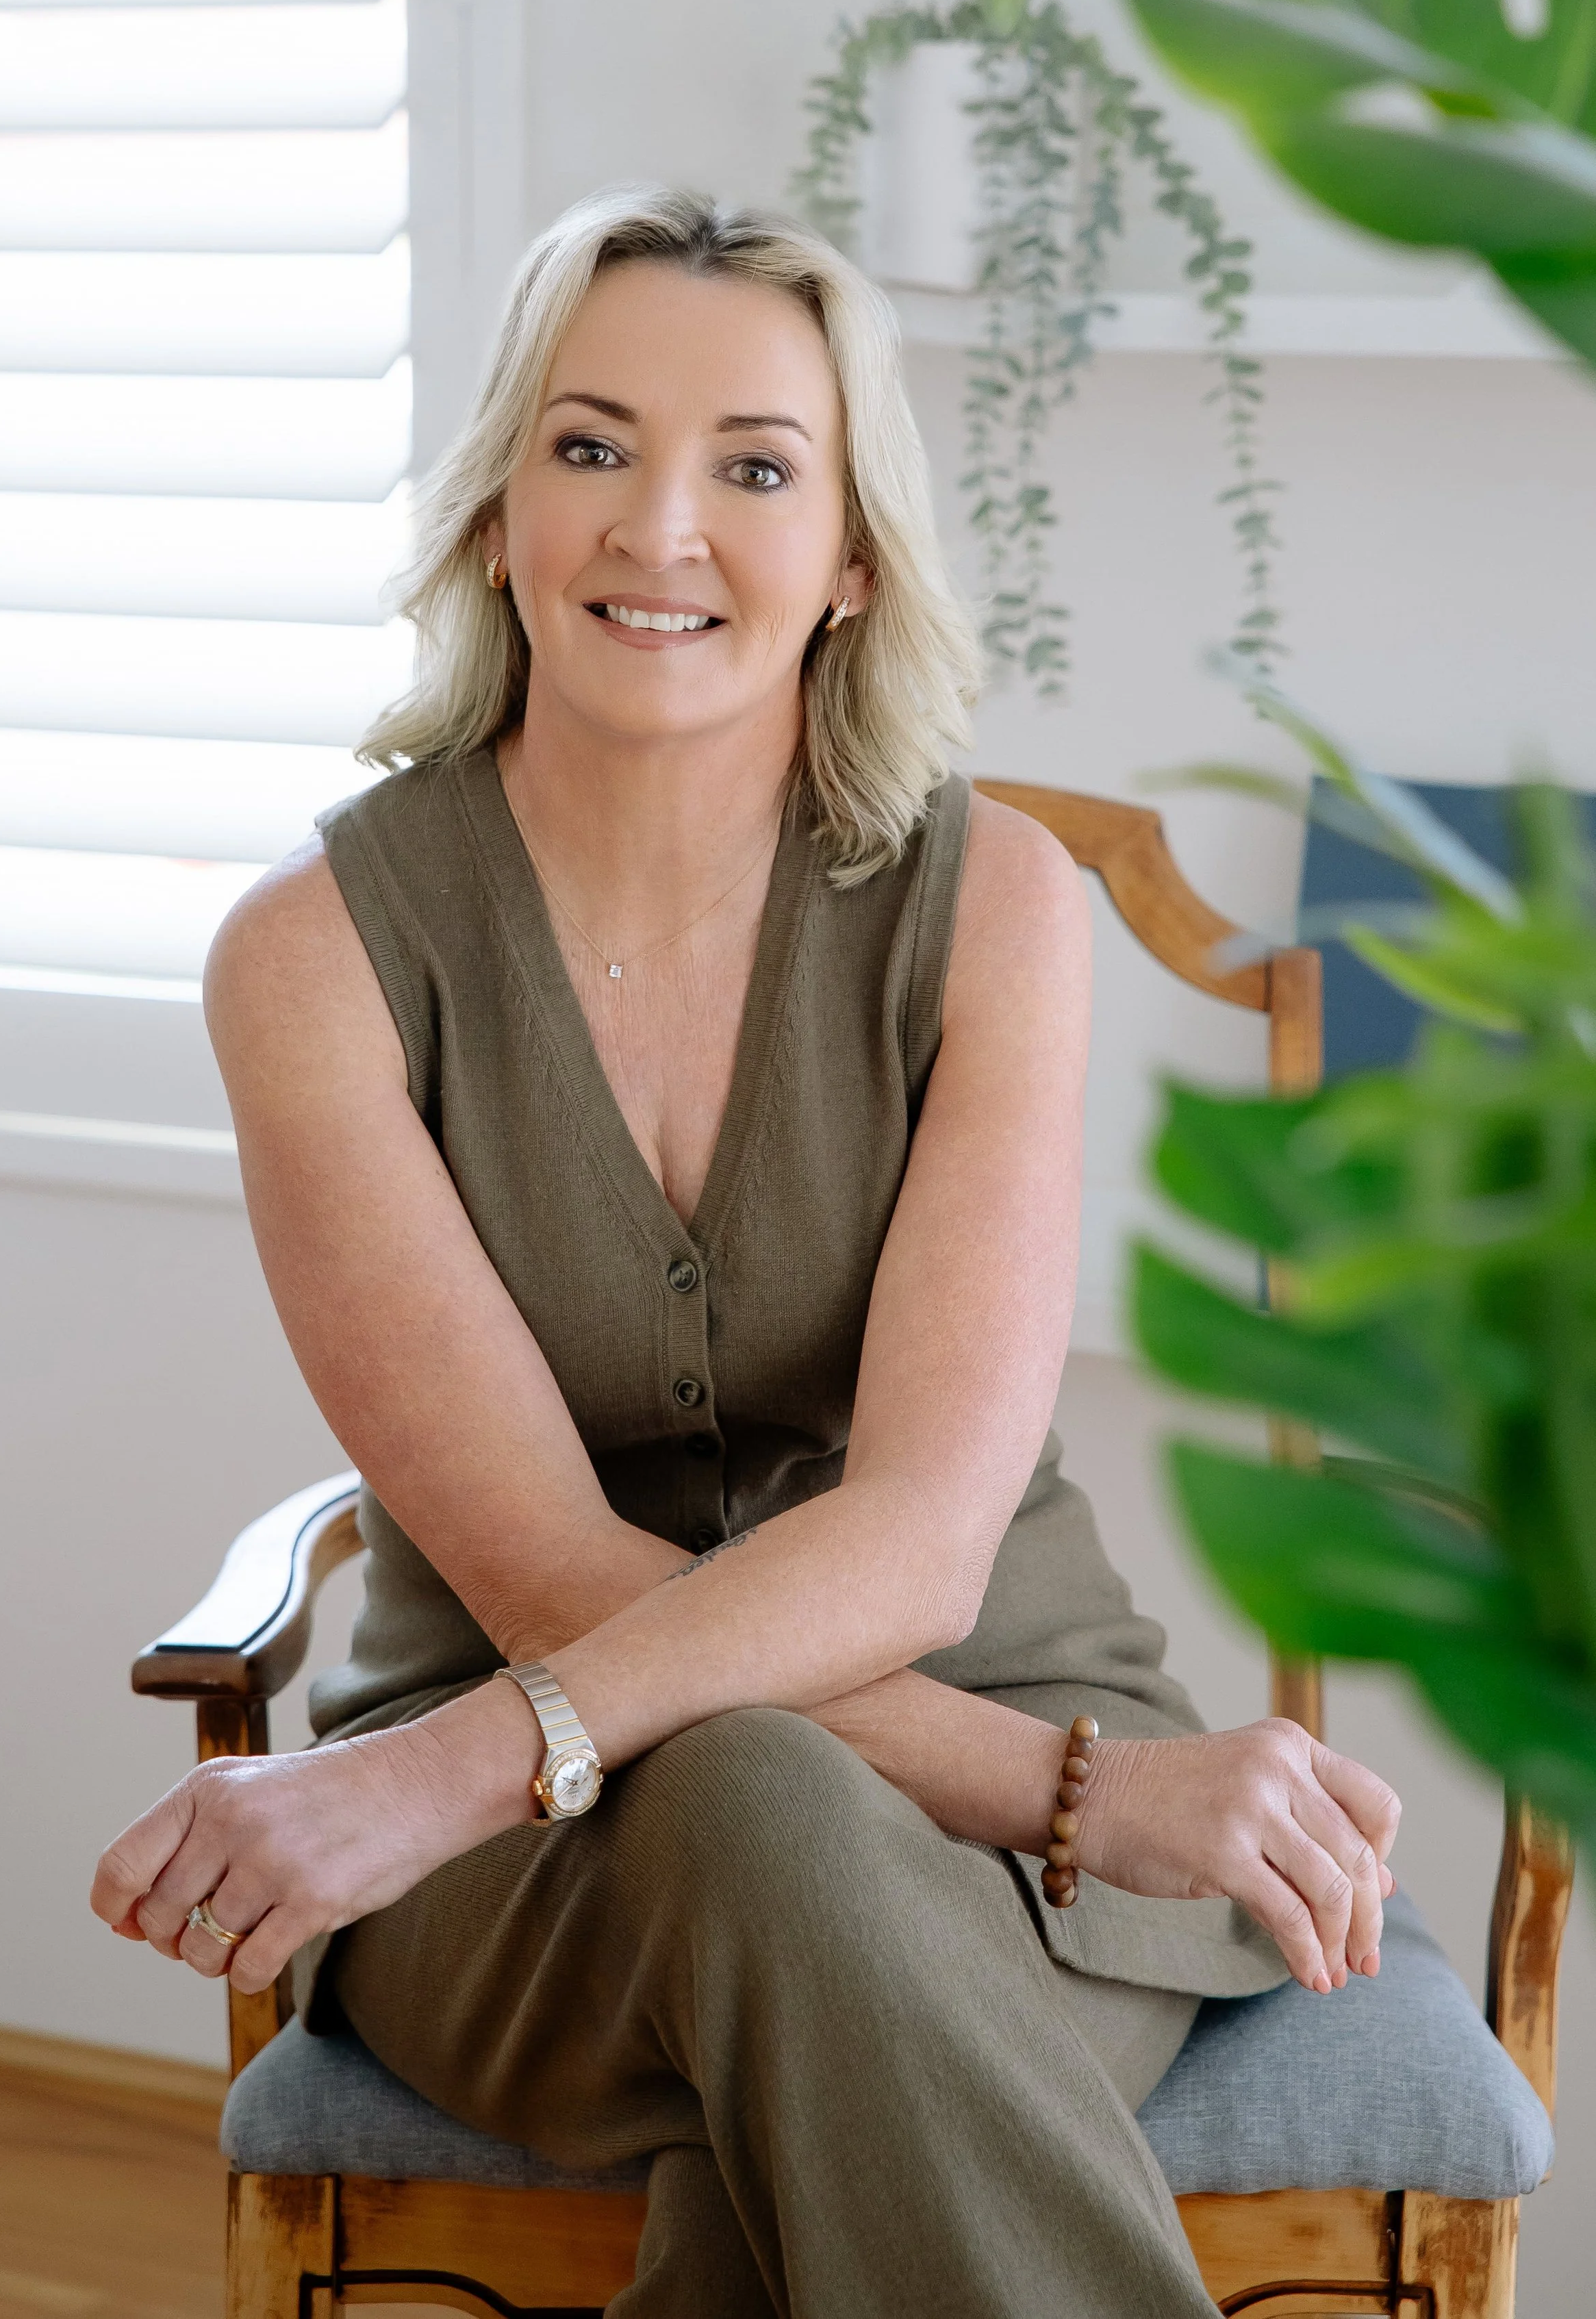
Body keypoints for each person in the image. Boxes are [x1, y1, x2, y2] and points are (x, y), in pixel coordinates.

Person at [92, 187, 1401, 2318]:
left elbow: (920, 1551)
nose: (659, 528)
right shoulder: (315, 958)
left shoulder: (1000, 909)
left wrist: (410, 1774)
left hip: (934, 1808)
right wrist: (1090, 1795)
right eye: (589, 445)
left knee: (772, 2152)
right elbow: (530, 1570)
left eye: (755, 466)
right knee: (761, 1819)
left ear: (855, 550)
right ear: (497, 503)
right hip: (549, 1875)